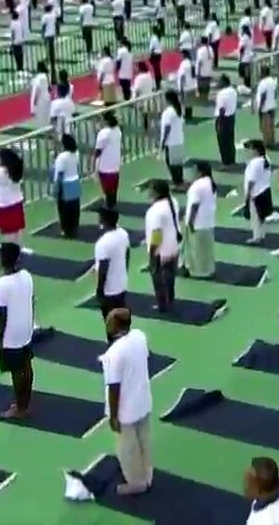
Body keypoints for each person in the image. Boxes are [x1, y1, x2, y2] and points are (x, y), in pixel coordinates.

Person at [101, 307, 155, 495]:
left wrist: (113, 416)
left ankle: (136, 482)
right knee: (145, 439)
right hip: (143, 399)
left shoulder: (114, 354)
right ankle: (147, 474)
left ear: (115, 325)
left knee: (128, 449)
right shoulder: (140, 336)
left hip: (126, 409)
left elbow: (114, 388)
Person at [0, 245, 36, 419]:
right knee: (26, 365)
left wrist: (0, 338)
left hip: (12, 333)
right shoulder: (27, 276)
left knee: (17, 370)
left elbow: (2, 315)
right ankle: (26, 402)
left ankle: (20, 407)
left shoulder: (0, 285)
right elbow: (32, 301)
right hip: (26, 327)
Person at [143, 178, 183, 312]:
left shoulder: (155, 211)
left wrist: (152, 251)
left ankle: (162, 305)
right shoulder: (173, 202)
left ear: (156, 192)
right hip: (174, 246)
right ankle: (170, 299)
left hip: (161, 250)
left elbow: (157, 234)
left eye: (150, 189)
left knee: (158, 278)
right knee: (170, 276)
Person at [93, 207, 132, 324]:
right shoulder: (123, 234)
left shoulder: (103, 243)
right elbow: (127, 254)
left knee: (111, 323)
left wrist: (99, 291)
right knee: (122, 320)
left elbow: (103, 269)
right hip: (122, 284)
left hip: (109, 290)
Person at [52, 133, 84, 237]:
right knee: (75, 207)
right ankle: (74, 227)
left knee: (63, 208)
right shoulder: (76, 153)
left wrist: (56, 189)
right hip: (74, 181)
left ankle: (66, 229)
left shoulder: (62, 157)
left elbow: (60, 174)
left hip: (65, 184)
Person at [244, 139, 275, 244]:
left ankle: (256, 237)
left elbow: (251, 181)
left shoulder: (254, 163)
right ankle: (262, 234)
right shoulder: (266, 159)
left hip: (256, 192)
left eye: (250, 149)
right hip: (265, 189)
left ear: (256, 150)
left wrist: (247, 196)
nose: (249, 151)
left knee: (255, 216)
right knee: (262, 216)